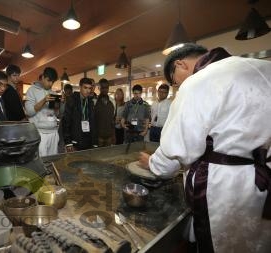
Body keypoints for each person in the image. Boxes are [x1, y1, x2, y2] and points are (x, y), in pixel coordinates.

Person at [138, 43, 271, 253]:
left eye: (174, 82)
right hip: (262, 180)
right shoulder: (264, 68)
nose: (178, 87)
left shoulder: (199, 81)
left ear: (180, 64)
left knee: (220, 244)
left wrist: (152, 163)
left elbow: (176, 151)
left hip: (223, 186)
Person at [25, 67, 59, 157]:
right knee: (41, 162)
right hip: (40, 133)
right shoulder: (32, 90)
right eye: (49, 81)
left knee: (53, 160)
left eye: (53, 82)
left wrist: (58, 105)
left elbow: (56, 114)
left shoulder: (53, 93)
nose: (51, 84)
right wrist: (44, 100)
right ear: (43, 77)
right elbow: (29, 112)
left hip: (53, 131)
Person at [62, 77, 98, 152]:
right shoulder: (72, 100)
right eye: (85, 88)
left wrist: (94, 142)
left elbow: (93, 123)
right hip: (75, 139)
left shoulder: (90, 102)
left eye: (89, 88)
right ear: (80, 87)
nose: (88, 91)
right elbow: (66, 122)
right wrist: (68, 142)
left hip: (88, 139)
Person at [94, 78, 115, 147]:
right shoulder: (94, 101)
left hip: (109, 136)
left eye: (106, 87)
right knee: (97, 156)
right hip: (98, 136)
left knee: (108, 156)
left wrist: (113, 135)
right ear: (99, 88)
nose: (105, 89)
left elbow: (113, 120)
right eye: (102, 87)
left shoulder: (112, 101)